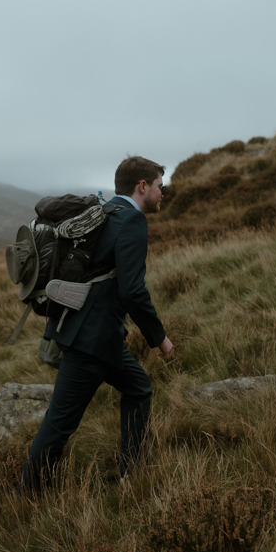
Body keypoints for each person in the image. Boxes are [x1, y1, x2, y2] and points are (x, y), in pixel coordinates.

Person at [17, 156, 174, 492]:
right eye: (161, 186)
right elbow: (133, 290)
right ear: (142, 186)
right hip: (92, 340)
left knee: (138, 388)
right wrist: (159, 339)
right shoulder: (131, 220)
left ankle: (134, 472)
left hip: (88, 332)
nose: (164, 193)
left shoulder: (105, 212)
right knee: (59, 425)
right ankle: (25, 495)